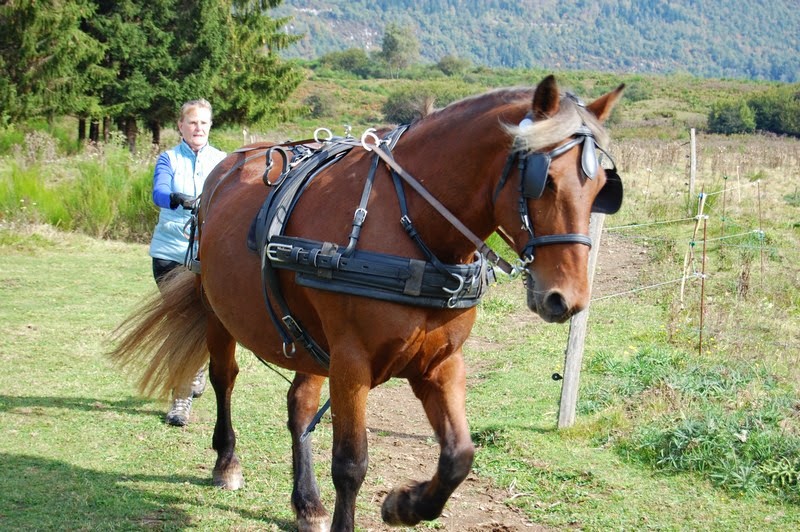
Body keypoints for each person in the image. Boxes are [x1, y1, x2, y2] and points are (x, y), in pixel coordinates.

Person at [149, 98, 227, 426]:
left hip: (208, 255)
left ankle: (197, 366)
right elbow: (158, 193)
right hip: (170, 255)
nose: (198, 128)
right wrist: (175, 199)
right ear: (180, 126)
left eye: (203, 123)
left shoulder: (223, 161)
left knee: (210, 319)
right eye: (192, 122)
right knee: (180, 324)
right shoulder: (168, 159)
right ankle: (180, 400)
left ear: (210, 126)